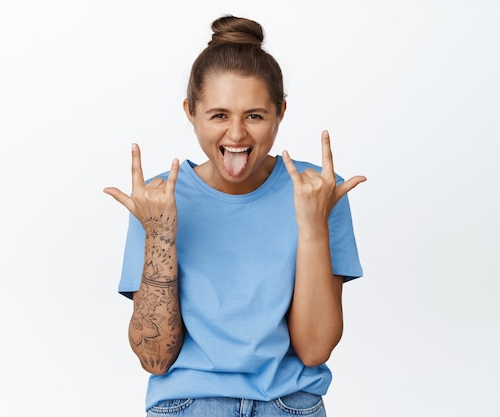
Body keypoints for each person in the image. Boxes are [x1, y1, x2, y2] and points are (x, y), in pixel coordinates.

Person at [104, 15, 366, 417]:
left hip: (290, 405)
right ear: (191, 112)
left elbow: (314, 349)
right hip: (186, 404)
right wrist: (159, 234)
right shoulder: (158, 199)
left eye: (255, 115)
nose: (237, 135)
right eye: (219, 115)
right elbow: (155, 359)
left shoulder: (317, 192)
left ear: (280, 112)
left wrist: (312, 227)